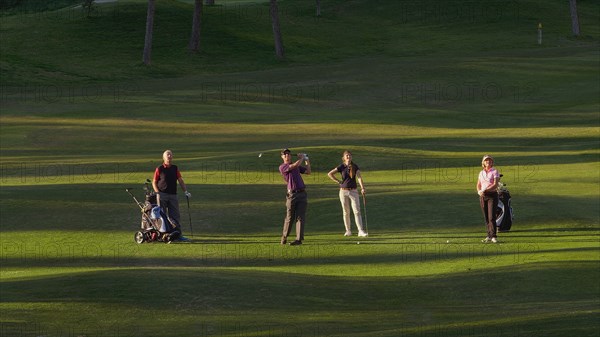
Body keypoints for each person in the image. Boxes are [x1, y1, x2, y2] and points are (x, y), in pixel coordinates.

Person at [153, 149, 192, 241]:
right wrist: (157, 193)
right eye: (167, 155)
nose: (169, 156)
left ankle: (178, 235)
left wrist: (186, 191)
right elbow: (154, 182)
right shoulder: (159, 169)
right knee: (161, 216)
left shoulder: (175, 168)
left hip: (173, 195)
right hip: (162, 195)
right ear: (164, 157)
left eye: (170, 155)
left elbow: (180, 181)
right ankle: (163, 235)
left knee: (175, 216)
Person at [327, 150, 368, 237]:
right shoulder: (342, 166)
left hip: (353, 191)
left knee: (357, 211)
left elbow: (359, 177)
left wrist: (362, 188)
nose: (348, 157)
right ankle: (348, 230)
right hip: (343, 191)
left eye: (349, 155)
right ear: (344, 158)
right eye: (347, 156)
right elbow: (330, 174)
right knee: (346, 212)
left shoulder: (355, 166)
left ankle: (360, 231)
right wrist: (338, 181)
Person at [279, 148, 311, 245]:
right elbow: (295, 165)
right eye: (285, 155)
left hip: (302, 193)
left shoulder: (296, 166)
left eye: (288, 154)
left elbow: (308, 172)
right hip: (292, 194)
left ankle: (299, 240)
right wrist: (301, 158)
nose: (287, 156)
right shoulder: (282, 167)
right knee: (289, 217)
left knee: (300, 217)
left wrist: (307, 160)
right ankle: (284, 236)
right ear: (282, 157)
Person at [476, 154, 500, 243]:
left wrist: (485, 190)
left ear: (492, 162)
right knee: (486, 217)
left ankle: (494, 236)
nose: (488, 161)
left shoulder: (495, 171)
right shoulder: (481, 173)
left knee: (491, 217)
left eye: (489, 160)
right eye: (486, 160)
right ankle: (488, 236)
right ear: (483, 162)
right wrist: (479, 191)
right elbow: (478, 184)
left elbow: (495, 184)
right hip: (483, 196)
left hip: (492, 196)